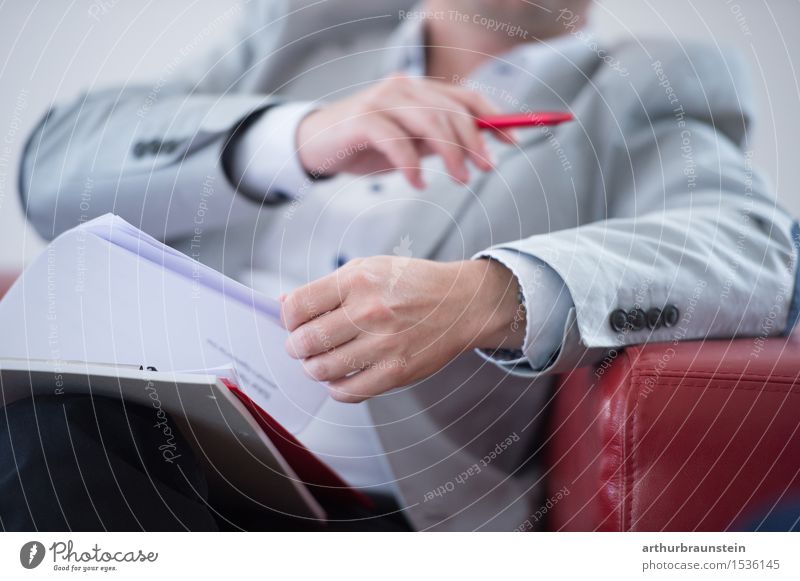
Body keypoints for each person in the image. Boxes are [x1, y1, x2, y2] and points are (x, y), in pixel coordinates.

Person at [9, 0, 799, 531]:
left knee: (56, 440)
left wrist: (488, 293)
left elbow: (758, 250)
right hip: (119, 413)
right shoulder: (304, 28)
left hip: (369, 511)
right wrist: (294, 137)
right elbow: (53, 166)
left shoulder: (635, 88)